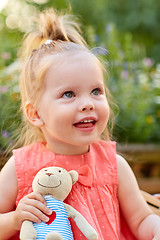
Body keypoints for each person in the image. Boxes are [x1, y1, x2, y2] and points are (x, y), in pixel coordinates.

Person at [0, 8, 160, 240]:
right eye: (68, 94)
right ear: (35, 113)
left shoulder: (114, 165)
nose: (87, 104)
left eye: (96, 91)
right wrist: (14, 219)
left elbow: (142, 219)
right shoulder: (19, 167)